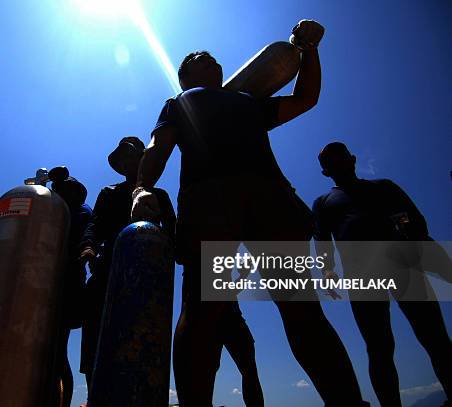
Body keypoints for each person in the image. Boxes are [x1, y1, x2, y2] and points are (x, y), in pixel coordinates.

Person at [131, 20, 369, 406]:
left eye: (210, 57)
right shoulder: (181, 102)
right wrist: (142, 187)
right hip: (210, 201)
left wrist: (310, 49)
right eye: (195, 59)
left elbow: (306, 98)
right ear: (185, 76)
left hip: (269, 197)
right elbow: (159, 144)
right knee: (204, 311)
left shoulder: (248, 102)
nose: (205, 57)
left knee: (303, 311)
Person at [313, 141, 452, 407]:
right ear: (325, 172)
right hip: (362, 279)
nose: (337, 163)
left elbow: (411, 219)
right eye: (330, 162)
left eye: (340, 157)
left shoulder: (384, 187)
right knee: (379, 349)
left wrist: (403, 234)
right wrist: (328, 271)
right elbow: (322, 242)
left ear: (352, 160)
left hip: (404, 268)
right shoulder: (323, 203)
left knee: (435, 338)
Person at [78, 136, 176, 392]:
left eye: (132, 155)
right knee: (96, 338)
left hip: (146, 278)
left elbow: (173, 234)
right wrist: (88, 246)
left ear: (144, 159)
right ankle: (95, 394)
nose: (126, 162)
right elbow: (94, 225)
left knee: (142, 337)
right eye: (122, 158)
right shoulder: (109, 193)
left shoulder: (160, 196)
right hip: (108, 271)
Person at [50, 172, 93, 407]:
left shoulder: (80, 212)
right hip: (49, 284)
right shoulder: (57, 211)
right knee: (54, 351)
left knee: (57, 351)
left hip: (66, 287)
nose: (59, 192)